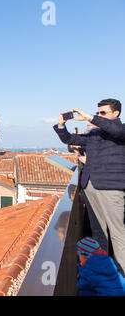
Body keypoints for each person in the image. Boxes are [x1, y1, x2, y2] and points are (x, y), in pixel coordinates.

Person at [53, 98, 125, 275]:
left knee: (118, 233)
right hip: (90, 186)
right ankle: (102, 270)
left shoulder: (121, 130)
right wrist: (61, 126)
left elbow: (115, 130)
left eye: (103, 113)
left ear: (116, 114)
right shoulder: (95, 134)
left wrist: (90, 117)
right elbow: (70, 139)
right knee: (98, 231)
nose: (99, 115)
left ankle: (122, 274)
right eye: (98, 112)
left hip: (111, 187)